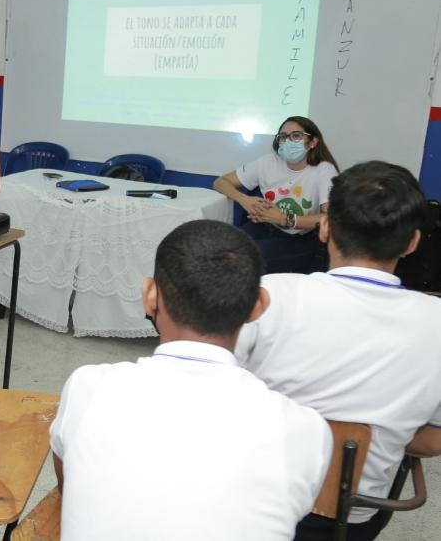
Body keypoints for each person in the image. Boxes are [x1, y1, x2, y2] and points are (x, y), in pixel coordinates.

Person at [50, 220, 332, 541]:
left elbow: (69, 486)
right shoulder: (305, 430)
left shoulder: (87, 388)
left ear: (150, 297)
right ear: (259, 306)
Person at [234, 161, 441, 541]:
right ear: (412, 242)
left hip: (251, 500)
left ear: (326, 228)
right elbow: (432, 440)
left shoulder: (268, 293)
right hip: (351, 516)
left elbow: (214, 392)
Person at [213, 116, 339, 273]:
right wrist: (244, 200)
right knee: (221, 247)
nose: (288, 141)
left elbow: (330, 219)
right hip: (266, 226)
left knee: (246, 258)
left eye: (296, 136)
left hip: (301, 238)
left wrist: (282, 218)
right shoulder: (268, 162)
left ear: (312, 142)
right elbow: (220, 182)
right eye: (283, 137)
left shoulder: (324, 170)